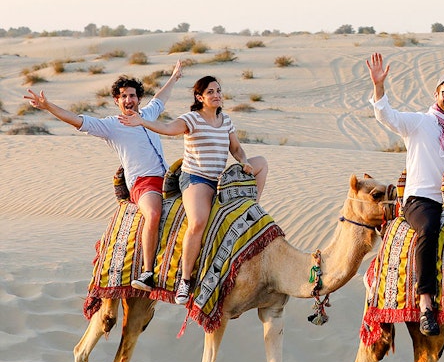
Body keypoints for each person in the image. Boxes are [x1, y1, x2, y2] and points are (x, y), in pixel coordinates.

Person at [23, 60, 184, 291]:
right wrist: (49, 107)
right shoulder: (110, 126)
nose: (128, 100)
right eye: (123, 96)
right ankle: (148, 272)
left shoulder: (147, 114)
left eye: (132, 95)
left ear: (138, 98)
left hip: (168, 176)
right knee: (154, 212)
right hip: (143, 182)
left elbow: (161, 97)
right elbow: (77, 120)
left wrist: (175, 76)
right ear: (117, 101)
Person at [120, 75, 268, 305]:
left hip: (220, 177)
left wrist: (244, 160)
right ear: (200, 97)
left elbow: (236, 148)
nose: (217, 95)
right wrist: (143, 122)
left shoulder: (225, 120)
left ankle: (251, 208)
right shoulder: (192, 119)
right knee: (198, 221)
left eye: (218, 90)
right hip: (196, 179)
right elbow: (168, 128)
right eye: (210, 92)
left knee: (262, 164)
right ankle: (185, 280)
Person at [367, 52, 444, 336]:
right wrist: (378, 85)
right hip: (421, 200)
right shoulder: (420, 122)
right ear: (436, 93)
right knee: (429, 229)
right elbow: (386, 115)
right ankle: (426, 302)